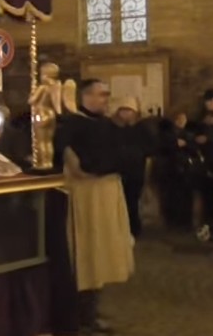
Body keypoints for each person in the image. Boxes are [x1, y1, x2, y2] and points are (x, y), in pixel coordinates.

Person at [56, 79, 134, 335]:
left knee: (103, 250)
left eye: (107, 95)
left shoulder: (106, 124)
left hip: (107, 189)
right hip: (87, 193)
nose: (106, 100)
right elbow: (70, 159)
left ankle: (91, 309)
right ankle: (82, 313)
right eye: (101, 95)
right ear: (86, 96)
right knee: (88, 251)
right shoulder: (73, 124)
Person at [112, 97, 152, 238]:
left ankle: (134, 228)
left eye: (128, 111)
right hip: (119, 170)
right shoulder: (114, 129)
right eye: (123, 110)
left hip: (135, 170)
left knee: (132, 200)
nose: (125, 114)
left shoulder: (141, 129)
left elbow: (150, 147)